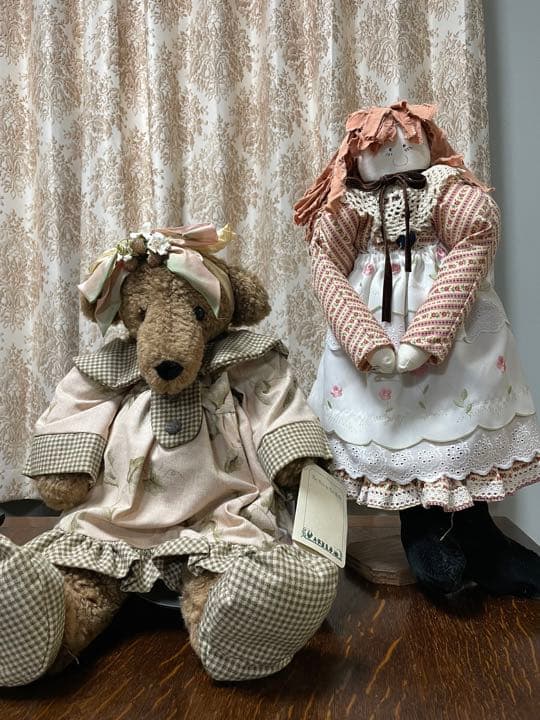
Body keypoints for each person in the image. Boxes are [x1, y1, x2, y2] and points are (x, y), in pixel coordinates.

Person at [294, 101, 540, 597]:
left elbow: (477, 233)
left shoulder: (443, 188)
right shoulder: (349, 204)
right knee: (399, 432)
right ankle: (422, 532)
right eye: (382, 146)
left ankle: (479, 536)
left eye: (408, 141)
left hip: (456, 337)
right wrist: (365, 340)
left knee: (460, 423)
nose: (397, 153)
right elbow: (326, 264)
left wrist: (427, 336)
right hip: (376, 338)